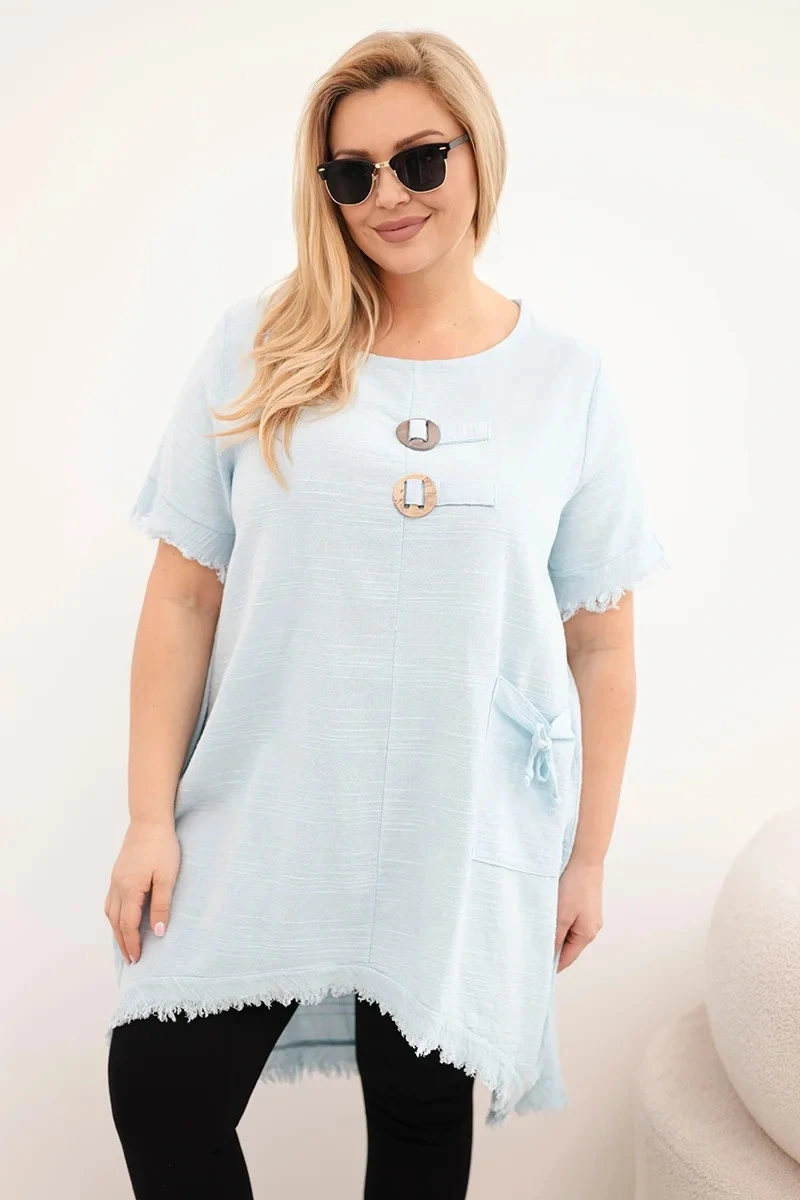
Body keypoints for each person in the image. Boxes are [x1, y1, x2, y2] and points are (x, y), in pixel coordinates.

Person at [104, 27, 671, 1200]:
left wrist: (587, 855)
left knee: (417, 1114)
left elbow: (600, 642)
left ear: (476, 152)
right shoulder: (259, 346)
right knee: (160, 1089)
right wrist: (149, 817)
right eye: (351, 173)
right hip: (265, 798)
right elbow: (184, 593)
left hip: (457, 811)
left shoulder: (566, 382)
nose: (387, 197)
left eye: (418, 160)